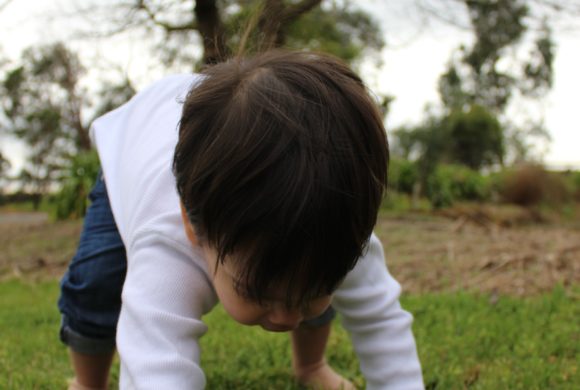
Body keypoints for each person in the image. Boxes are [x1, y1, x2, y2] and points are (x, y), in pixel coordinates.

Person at [58, 50, 424, 389]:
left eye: (312, 292)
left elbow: (381, 321)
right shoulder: (165, 247)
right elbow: (156, 366)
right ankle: (88, 382)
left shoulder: (339, 227)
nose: (284, 319)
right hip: (128, 162)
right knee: (96, 282)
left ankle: (310, 364)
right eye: (256, 290)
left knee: (299, 276)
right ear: (192, 225)